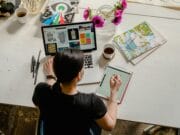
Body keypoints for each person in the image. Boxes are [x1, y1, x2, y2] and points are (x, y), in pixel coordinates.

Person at [32, 48, 121, 135]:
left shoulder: (41, 90)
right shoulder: (92, 102)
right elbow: (110, 126)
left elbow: (38, 104)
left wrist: (50, 77)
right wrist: (114, 92)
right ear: (79, 75)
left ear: (55, 71)